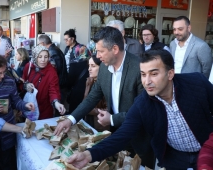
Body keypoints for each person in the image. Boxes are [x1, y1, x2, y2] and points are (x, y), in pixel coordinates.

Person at [67, 49, 213, 169]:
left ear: (170, 73)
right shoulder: (143, 103)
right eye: (143, 74)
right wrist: (88, 155)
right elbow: (122, 135)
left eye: (154, 74)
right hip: (175, 158)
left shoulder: (197, 84)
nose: (147, 81)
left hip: (208, 151)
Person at [54, 26, 155, 168]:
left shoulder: (140, 68)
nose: (98, 55)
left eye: (101, 51)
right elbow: (92, 97)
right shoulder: (104, 68)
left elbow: (144, 111)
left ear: (114, 49)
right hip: (116, 138)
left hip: (140, 140)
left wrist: (113, 119)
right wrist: (71, 119)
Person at [23, 45, 66, 120]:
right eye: (40, 57)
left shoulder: (51, 71)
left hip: (45, 109)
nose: (43, 60)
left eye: (46, 57)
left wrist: (56, 103)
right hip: (29, 106)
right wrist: (26, 86)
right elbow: (22, 82)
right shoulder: (28, 67)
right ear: (35, 57)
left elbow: (54, 89)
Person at [63, 28, 91, 113]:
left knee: (76, 104)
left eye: (67, 39)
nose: (65, 41)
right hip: (69, 80)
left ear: (73, 38)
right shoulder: (67, 48)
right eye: (64, 39)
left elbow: (87, 62)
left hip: (78, 81)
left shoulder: (81, 48)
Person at [83, 54, 109, 132]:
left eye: (93, 66)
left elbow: (109, 109)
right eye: (89, 65)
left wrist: (89, 109)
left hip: (100, 124)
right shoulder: (89, 80)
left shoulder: (107, 84)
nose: (89, 69)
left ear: (102, 68)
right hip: (88, 121)